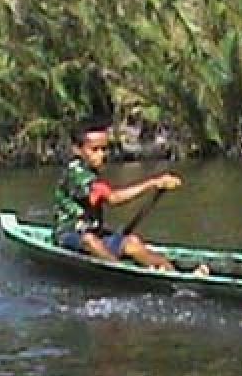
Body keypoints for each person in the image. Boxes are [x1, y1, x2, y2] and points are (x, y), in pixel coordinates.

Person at [55, 117, 208, 274]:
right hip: (70, 235)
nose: (101, 155)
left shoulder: (92, 171)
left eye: (104, 149)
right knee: (89, 241)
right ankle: (120, 272)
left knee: (133, 243)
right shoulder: (76, 173)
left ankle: (174, 273)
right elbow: (113, 198)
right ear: (77, 150)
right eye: (94, 150)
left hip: (94, 232)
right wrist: (153, 183)